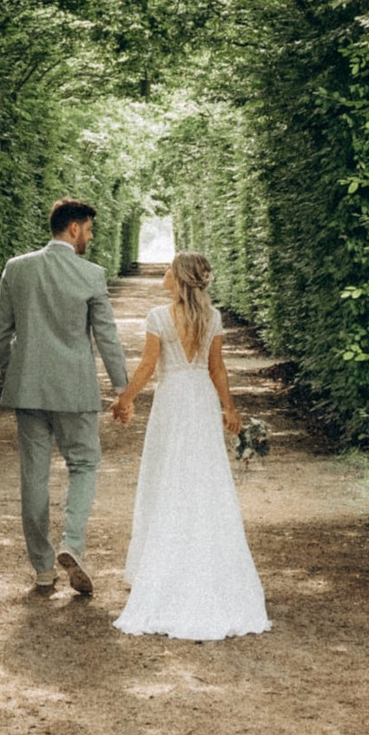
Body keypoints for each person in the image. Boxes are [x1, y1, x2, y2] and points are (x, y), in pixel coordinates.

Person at [109, 252, 270, 641]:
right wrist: (228, 408)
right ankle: (206, 562)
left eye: (169, 268)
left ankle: (162, 568)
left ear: (178, 279)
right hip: (199, 399)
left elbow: (148, 366)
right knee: (205, 477)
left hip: (172, 401)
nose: (163, 272)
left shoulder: (159, 317)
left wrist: (125, 399)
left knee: (166, 475)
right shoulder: (211, 319)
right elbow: (216, 368)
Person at [0, 198, 129, 594]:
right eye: (88, 229)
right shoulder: (92, 275)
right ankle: (73, 544)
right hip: (75, 390)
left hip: (28, 389)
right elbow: (107, 338)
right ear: (73, 228)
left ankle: (43, 569)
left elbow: (0, 333)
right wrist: (124, 390)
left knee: (33, 477)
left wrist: (13, 373)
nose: (91, 236)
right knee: (83, 465)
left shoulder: (17, 269)